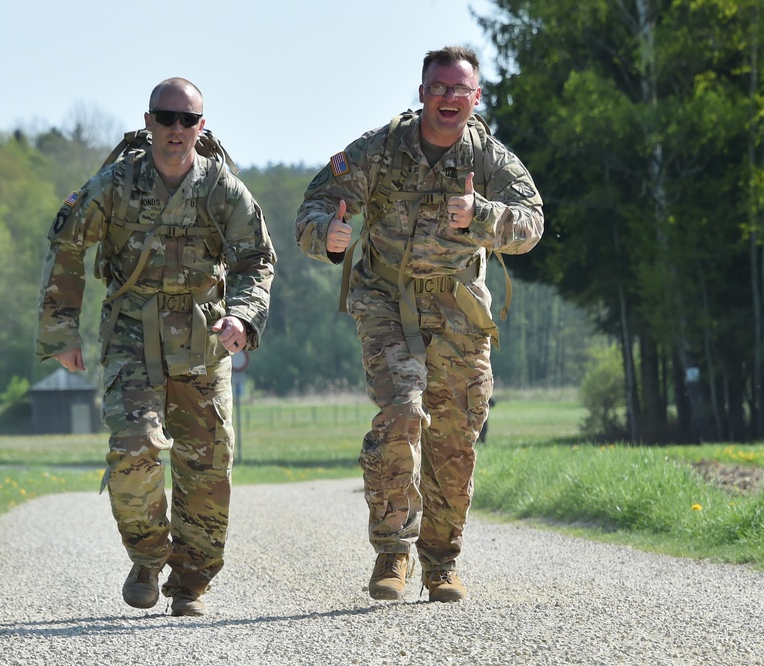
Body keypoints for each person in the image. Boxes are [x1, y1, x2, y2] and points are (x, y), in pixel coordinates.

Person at [294, 46, 543, 602]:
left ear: (476, 98)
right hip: (387, 301)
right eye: (439, 87)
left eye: (461, 90)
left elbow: (532, 225)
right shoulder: (382, 149)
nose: (449, 98)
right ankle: (392, 552)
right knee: (404, 411)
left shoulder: (491, 158)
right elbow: (316, 202)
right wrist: (327, 238)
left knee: (455, 437)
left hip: (458, 312)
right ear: (422, 90)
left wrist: (483, 217)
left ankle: (441, 563)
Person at [35, 78, 276, 617]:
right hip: (130, 337)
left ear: (201, 127)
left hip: (203, 341)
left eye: (187, 120)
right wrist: (61, 331)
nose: (175, 129)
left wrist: (242, 316)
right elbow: (68, 242)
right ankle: (146, 557)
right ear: (148, 122)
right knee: (135, 448)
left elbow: (256, 260)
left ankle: (190, 581)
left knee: (207, 468)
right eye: (165, 118)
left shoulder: (222, 189)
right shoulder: (115, 185)